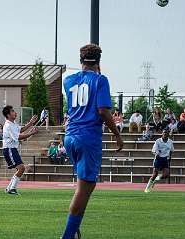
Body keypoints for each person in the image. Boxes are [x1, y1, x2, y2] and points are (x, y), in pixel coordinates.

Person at [61, 44, 123, 239]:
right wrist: (117, 135)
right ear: (98, 61)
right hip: (88, 138)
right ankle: (67, 235)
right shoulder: (101, 80)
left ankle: (75, 228)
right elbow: (102, 110)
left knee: (86, 187)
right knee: (83, 189)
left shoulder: (68, 80)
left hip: (70, 137)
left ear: (81, 60)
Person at [2, 105, 38, 195]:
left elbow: (20, 130)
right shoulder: (8, 125)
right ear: (8, 115)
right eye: (13, 111)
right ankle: (12, 188)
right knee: (21, 168)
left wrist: (30, 123)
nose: (15, 113)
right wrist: (31, 133)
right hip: (9, 149)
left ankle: (9, 188)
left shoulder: (13, 124)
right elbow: (18, 136)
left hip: (12, 149)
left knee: (20, 169)